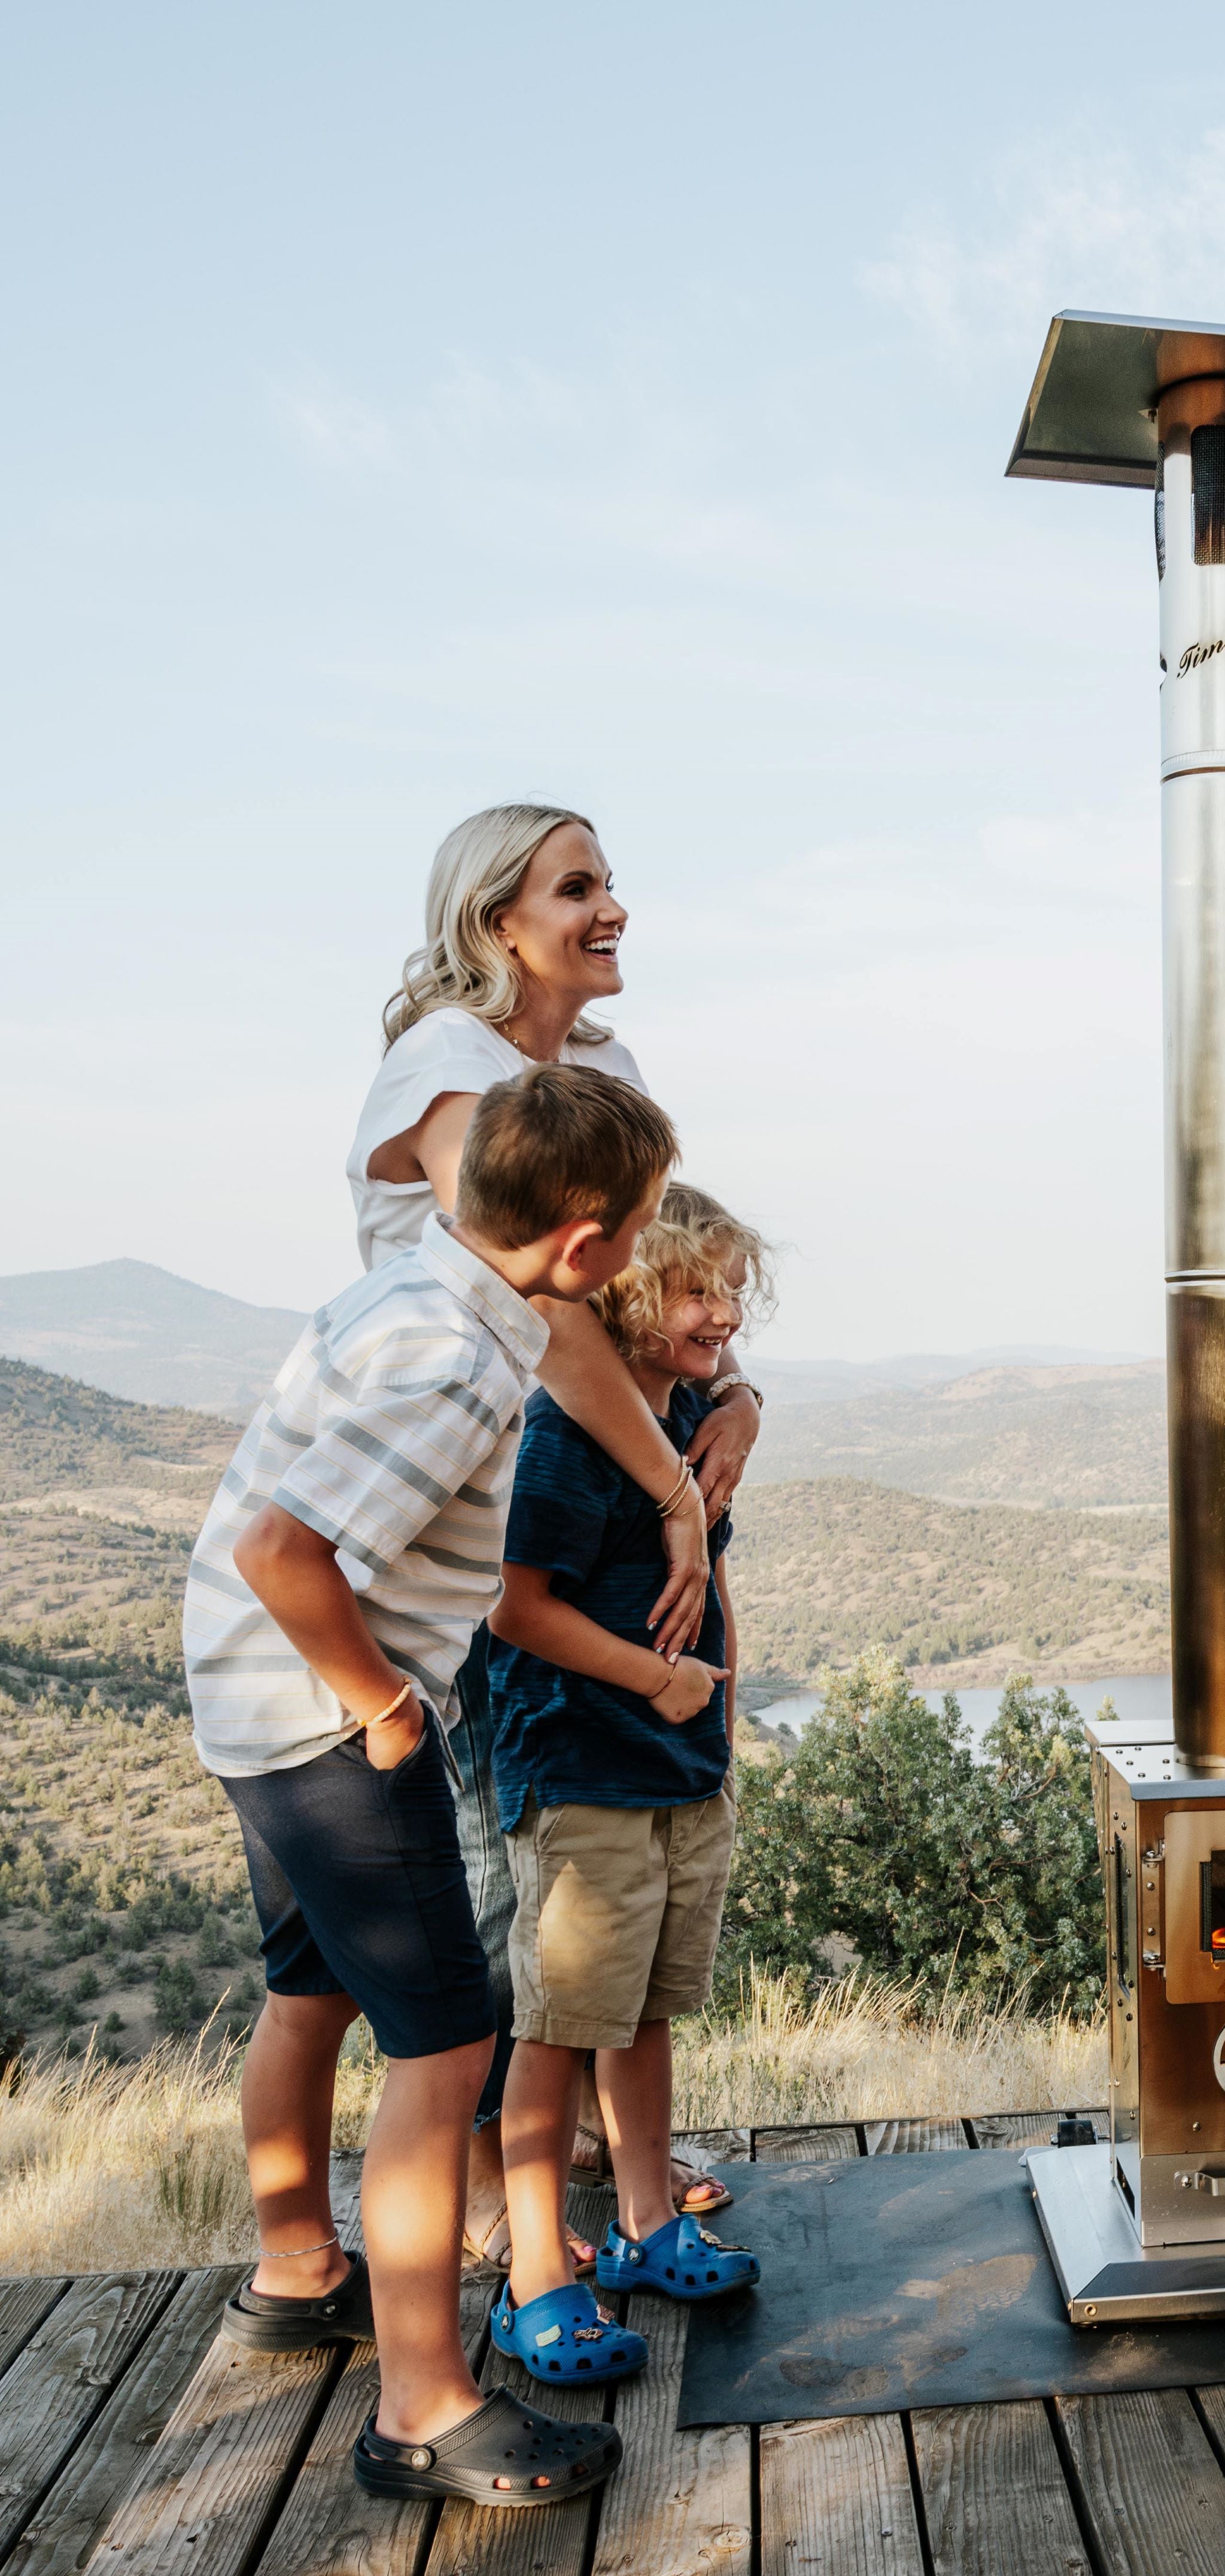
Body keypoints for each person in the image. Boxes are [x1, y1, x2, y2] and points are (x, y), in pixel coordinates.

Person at [184, 1063, 680, 2504]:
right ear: (585, 1246)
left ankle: (296, 2269)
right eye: (640, 1228)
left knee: (311, 1985)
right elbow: (291, 1551)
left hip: (245, 1697)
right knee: (445, 2045)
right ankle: (428, 2408)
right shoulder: (460, 1365)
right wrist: (387, 1707)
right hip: (324, 1721)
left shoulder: (416, 1279)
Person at [349, 801, 754, 2252]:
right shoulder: (452, 1071)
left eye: (610, 882)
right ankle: (484, 2190)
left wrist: (735, 1396)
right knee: (499, 1865)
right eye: (576, 887)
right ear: (493, 924)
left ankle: (598, 2151)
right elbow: (551, 1303)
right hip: (468, 1480)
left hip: (588, 1450)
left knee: (593, 1911)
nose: (613, 908)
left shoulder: (601, 1067)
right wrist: (667, 1494)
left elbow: (645, 1274)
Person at [484, 1186, 770, 2381]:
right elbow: (517, 1608)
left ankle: (651, 2226)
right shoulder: (566, 1435)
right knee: (557, 2030)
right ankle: (539, 2273)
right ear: (628, 1298)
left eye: (732, 1288)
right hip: (586, 1769)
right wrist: (653, 1684)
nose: (725, 1312)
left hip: (679, 1771)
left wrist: (715, 1718)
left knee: (643, 2012)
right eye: (699, 1291)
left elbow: (711, 1585)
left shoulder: (693, 1413)